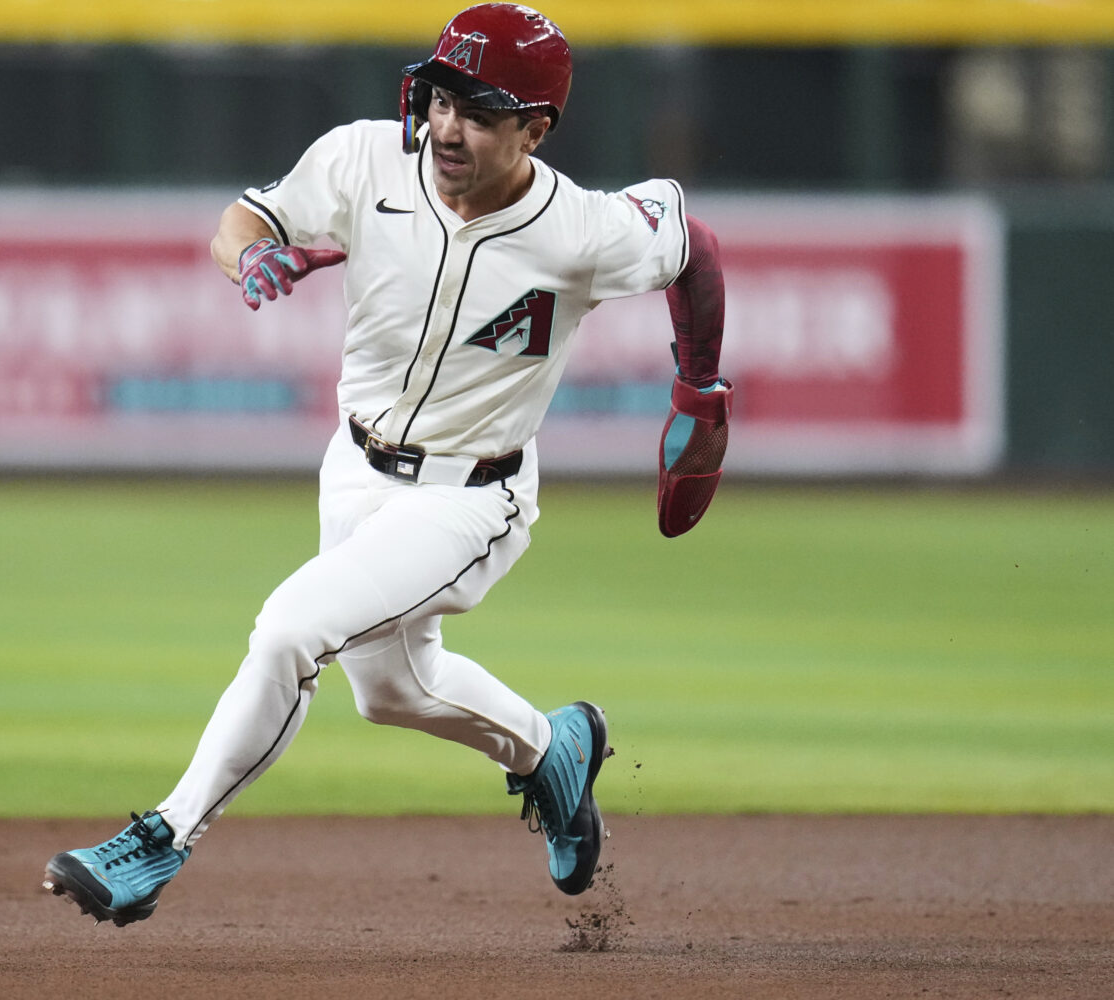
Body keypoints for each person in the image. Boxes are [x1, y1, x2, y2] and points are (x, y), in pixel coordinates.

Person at [42, 2, 731, 927]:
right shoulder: (365, 159)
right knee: (392, 689)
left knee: (291, 630)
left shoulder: (584, 230)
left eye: (477, 112)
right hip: (355, 466)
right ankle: (552, 750)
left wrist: (699, 390)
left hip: (471, 497)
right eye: (440, 99)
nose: (446, 127)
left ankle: (162, 838)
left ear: (535, 129)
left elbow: (694, 247)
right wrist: (251, 257)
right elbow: (241, 221)